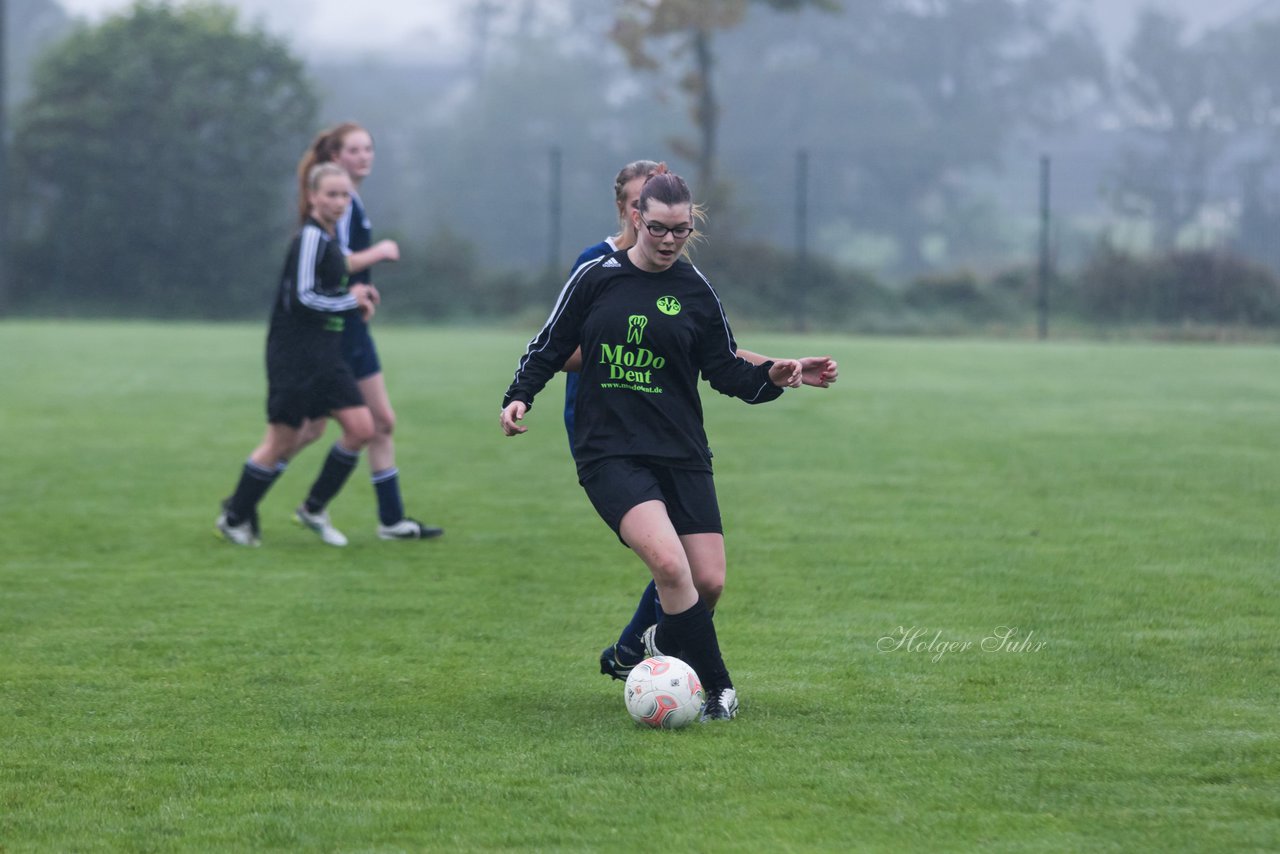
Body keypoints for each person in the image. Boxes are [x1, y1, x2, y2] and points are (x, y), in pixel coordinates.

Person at [501, 171, 819, 722]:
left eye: (681, 229)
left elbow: (724, 371)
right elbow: (550, 343)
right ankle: (719, 688)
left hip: (682, 450)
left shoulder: (696, 290)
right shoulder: (596, 278)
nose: (670, 240)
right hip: (610, 451)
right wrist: (519, 396)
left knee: (710, 581)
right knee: (672, 569)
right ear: (634, 219)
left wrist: (777, 375)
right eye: (659, 229)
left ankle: (650, 653)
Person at [285, 123, 443, 544]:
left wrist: (362, 292)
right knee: (308, 430)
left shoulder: (351, 200)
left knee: (377, 423)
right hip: (337, 332)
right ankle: (259, 497)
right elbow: (335, 261)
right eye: (355, 150)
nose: (365, 156)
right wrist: (380, 253)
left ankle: (388, 519)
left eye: (369, 149)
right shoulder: (342, 203)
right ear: (335, 158)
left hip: (352, 326)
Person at [216, 163, 378, 546]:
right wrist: (348, 301)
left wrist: (358, 301)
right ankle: (236, 514)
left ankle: (313, 507)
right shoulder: (309, 238)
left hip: (327, 355)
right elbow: (302, 298)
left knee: (359, 430)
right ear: (312, 197)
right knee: (282, 440)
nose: (339, 201)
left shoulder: (330, 238)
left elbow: (331, 293)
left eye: (344, 195)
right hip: (297, 356)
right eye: (331, 194)